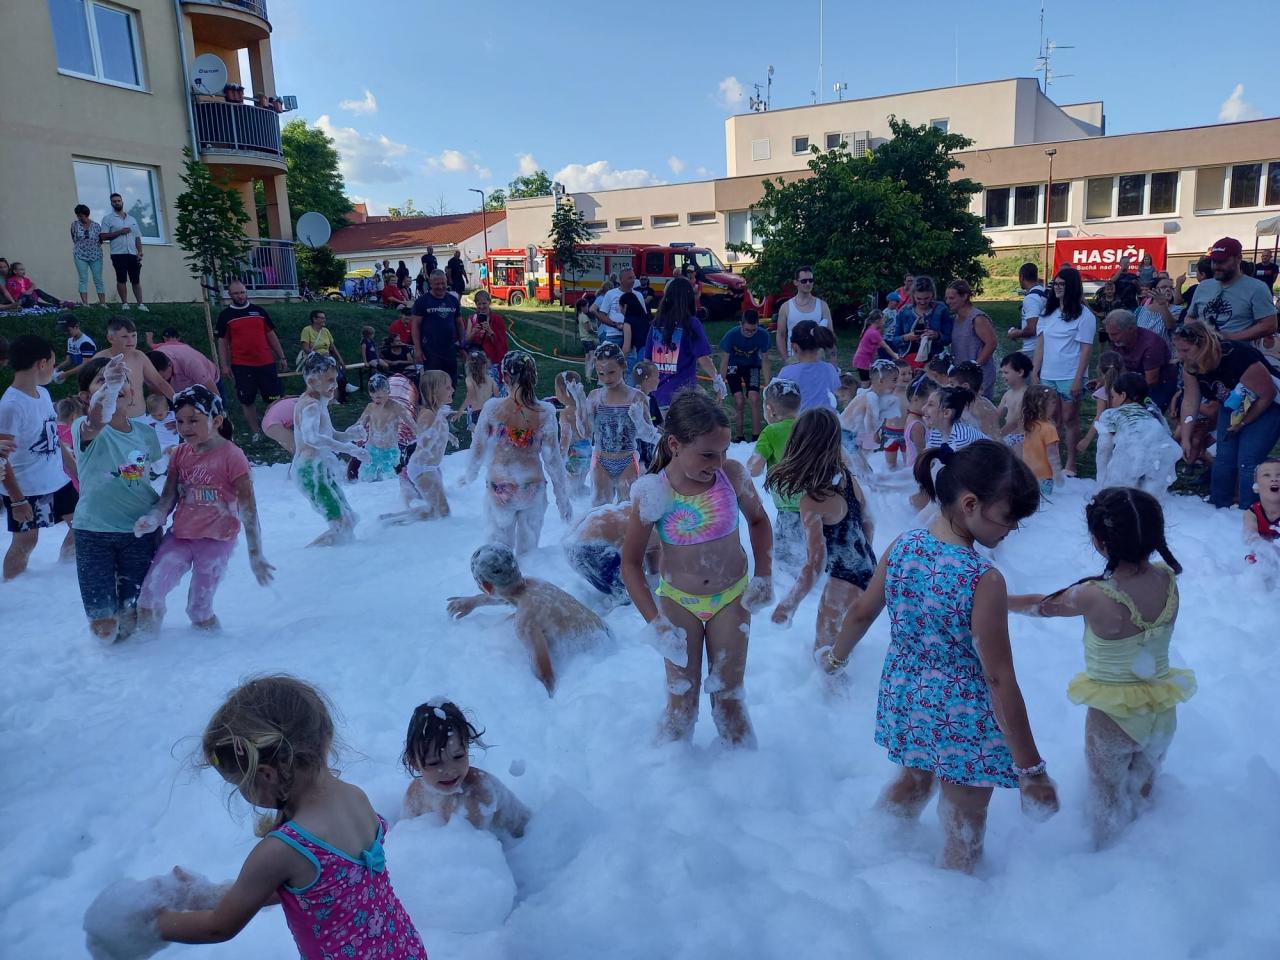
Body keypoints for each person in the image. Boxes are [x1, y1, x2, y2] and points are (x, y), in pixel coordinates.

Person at [823, 441, 1057, 873]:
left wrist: (835, 660)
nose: (1013, 529)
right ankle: (952, 895)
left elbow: (860, 613)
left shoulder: (904, 546)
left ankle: (863, 858)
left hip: (907, 698)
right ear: (970, 504)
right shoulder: (983, 578)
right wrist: (1032, 770)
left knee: (913, 780)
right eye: (1009, 518)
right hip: (961, 714)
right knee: (965, 818)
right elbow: (999, 678)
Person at [148, 675, 427, 957]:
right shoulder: (355, 797)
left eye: (240, 784)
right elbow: (321, 887)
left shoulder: (283, 850)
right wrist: (214, 896)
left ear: (266, 775)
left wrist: (148, 923)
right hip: (403, 948)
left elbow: (218, 927)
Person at [1008, 488, 1192, 848]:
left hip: (1113, 716)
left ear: (1098, 540)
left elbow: (1042, 606)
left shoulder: (1095, 594)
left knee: (1106, 791)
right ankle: (1146, 847)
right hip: (1162, 707)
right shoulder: (1167, 579)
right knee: (1145, 783)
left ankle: (1107, 851)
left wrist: (995, 600)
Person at [622, 390, 773, 746]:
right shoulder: (654, 492)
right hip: (678, 603)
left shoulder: (732, 476)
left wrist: (764, 575)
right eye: (707, 454)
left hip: (731, 598)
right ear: (675, 444)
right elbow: (630, 564)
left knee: (730, 698)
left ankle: (742, 771)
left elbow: (759, 521)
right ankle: (670, 770)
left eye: (724, 451)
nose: (718, 462)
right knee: (681, 704)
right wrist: (655, 623)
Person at [132, 386, 272, 633]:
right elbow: (168, 497)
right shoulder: (180, 454)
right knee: (148, 598)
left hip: (216, 542)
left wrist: (256, 554)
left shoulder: (232, 457)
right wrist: (154, 517)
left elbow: (249, 510)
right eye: (179, 421)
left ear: (216, 421)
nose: (185, 428)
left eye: (193, 420)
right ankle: (146, 649)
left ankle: (214, 651)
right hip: (181, 536)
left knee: (198, 609)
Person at [64, 355, 160, 640]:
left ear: (133, 392)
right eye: (102, 381)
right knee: (103, 626)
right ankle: (106, 662)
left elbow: (155, 474)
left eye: (121, 381)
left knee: (134, 618)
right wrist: (110, 390)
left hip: (138, 532)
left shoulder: (146, 434)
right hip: (93, 532)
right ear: (86, 397)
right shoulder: (84, 427)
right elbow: (96, 421)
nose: (115, 386)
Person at [766, 408, 875, 652]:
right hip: (868, 570)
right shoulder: (847, 479)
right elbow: (868, 521)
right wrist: (863, 556)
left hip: (844, 580)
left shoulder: (813, 501)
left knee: (825, 653)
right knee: (844, 648)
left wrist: (788, 604)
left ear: (796, 445)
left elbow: (815, 563)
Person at [447, 543, 610, 696]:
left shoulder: (526, 621)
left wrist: (548, 696)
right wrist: (474, 601)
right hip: (603, 636)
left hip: (595, 659)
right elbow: (507, 594)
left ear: (485, 587)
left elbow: (545, 674)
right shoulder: (536, 583)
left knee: (513, 620)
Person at [464, 351, 572, 555]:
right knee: (529, 554)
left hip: (500, 488)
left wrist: (469, 475)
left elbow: (477, 449)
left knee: (499, 553)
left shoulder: (492, 409)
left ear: (505, 377)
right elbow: (553, 461)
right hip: (532, 489)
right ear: (534, 377)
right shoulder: (545, 413)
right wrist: (562, 499)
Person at [1173, 320, 1280, 509]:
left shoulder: (1237, 356)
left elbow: (1268, 394)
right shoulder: (1191, 365)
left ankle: (1250, 510)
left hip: (1268, 404)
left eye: (1186, 350)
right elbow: (1190, 402)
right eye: (1179, 350)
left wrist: (1244, 423)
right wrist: (1187, 438)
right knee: (1225, 457)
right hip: (1233, 403)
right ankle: (1219, 507)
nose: (1181, 356)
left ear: (1203, 345)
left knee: (1248, 459)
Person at [0, 336, 77, 579]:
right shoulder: (11, 406)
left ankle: (62, 575)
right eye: (53, 364)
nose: (54, 369)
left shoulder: (43, 394)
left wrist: (76, 471)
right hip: (26, 489)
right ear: (42, 364)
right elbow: (2, 458)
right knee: (25, 542)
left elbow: (53, 438)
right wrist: (17, 501)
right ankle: (12, 588)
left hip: (57, 481)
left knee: (82, 527)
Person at [400, 699, 530, 839]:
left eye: (458, 756)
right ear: (414, 763)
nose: (450, 771)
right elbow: (403, 833)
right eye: (434, 763)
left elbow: (471, 848)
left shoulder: (477, 796)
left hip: (522, 838)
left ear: (467, 748)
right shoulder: (415, 793)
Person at [293, 353, 369, 546]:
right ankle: (310, 555)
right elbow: (312, 438)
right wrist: (349, 449)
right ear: (312, 381)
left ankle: (340, 556)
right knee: (342, 525)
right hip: (309, 472)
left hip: (319, 470)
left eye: (335, 379)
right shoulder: (310, 406)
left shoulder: (318, 401)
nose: (335, 385)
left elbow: (330, 434)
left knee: (349, 520)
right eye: (330, 380)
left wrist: (350, 436)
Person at [1034, 266, 1095, 477]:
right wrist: (1035, 370)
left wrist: (1079, 379)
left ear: (1072, 287)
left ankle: (1071, 462)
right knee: (1051, 418)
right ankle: (1053, 459)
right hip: (1048, 374)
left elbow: (1086, 349)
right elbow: (1040, 344)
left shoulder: (1084, 315)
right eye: (1055, 284)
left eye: (1062, 284)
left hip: (1070, 374)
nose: (1057, 288)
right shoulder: (1047, 313)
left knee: (1069, 418)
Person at [578, 342, 657, 505]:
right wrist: (580, 403)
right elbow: (586, 433)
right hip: (601, 460)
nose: (606, 378)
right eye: (601, 373)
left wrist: (638, 420)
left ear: (624, 366)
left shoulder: (637, 397)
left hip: (627, 460)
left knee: (627, 508)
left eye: (611, 372)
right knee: (599, 509)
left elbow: (649, 435)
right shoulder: (595, 397)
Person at [216, 281, 288, 438]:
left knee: (274, 398)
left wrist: (282, 356)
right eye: (236, 293)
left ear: (246, 292)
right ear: (230, 295)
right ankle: (256, 433)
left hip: (266, 363)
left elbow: (271, 335)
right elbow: (222, 342)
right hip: (242, 365)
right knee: (247, 400)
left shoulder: (259, 311)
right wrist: (224, 365)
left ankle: (275, 430)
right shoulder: (225, 316)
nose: (240, 296)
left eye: (242, 292)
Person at [1089, 373, 1181, 495]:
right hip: (1163, 454)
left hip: (1133, 450)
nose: (1112, 400)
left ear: (1123, 395)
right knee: (1150, 499)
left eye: (1113, 396)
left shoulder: (1110, 414)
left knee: (1118, 495)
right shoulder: (1154, 410)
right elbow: (1166, 434)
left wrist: (1101, 483)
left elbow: (1104, 448)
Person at [384, 370, 457, 523]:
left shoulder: (436, 412)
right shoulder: (428, 415)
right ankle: (396, 524)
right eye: (448, 387)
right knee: (442, 513)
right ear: (435, 392)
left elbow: (436, 431)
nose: (452, 390)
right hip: (422, 469)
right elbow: (419, 438)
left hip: (429, 468)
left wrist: (449, 436)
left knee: (437, 511)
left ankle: (392, 519)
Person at [748, 379, 804, 570]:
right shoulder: (810, 426)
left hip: (790, 505)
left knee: (789, 563)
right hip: (819, 501)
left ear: (770, 409)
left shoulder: (771, 431)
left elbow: (754, 469)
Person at [644, 276, 722, 410]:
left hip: (658, 395)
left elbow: (647, 361)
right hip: (683, 397)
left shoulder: (656, 324)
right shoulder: (691, 324)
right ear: (689, 298)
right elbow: (703, 359)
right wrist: (717, 379)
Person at [563, 500, 660, 608]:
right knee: (628, 595)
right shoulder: (665, 532)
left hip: (571, 541)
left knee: (618, 589)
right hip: (593, 545)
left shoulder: (638, 508)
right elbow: (654, 570)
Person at [1186, 237, 1278, 343]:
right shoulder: (1203, 286)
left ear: (1238, 258)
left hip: (1238, 351)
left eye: (1222, 261)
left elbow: (1269, 325)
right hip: (1204, 350)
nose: (1216, 266)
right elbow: (1189, 318)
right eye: (1213, 261)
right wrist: (1201, 334)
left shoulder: (1257, 288)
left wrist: (1230, 338)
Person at [1102, 309, 1178, 412]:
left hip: (1158, 385)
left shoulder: (1151, 345)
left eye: (1115, 334)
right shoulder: (1117, 341)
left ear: (1131, 329)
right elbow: (1115, 366)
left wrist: (1127, 397)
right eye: (1109, 334)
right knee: (1104, 399)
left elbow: (1151, 381)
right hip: (1132, 380)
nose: (1111, 338)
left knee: (1143, 413)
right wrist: (1104, 381)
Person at [718, 310, 772, 442]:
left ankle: (756, 437)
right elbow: (724, 362)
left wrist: (769, 385)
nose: (750, 333)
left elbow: (765, 361)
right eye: (747, 330)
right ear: (740, 324)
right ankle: (739, 436)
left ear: (758, 325)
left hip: (752, 366)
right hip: (733, 366)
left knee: (754, 398)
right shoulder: (731, 335)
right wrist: (720, 387)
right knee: (739, 400)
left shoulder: (763, 335)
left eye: (753, 330)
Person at [356, 374, 415, 482]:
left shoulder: (396, 407)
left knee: (389, 482)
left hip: (389, 453)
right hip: (371, 450)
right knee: (364, 480)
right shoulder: (370, 407)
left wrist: (423, 437)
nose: (375, 400)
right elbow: (359, 425)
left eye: (379, 397)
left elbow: (412, 425)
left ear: (388, 392)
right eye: (372, 397)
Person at [411, 269, 464, 388]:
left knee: (451, 384)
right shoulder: (422, 301)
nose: (440, 287)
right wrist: (418, 350)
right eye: (437, 284)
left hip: (450, 350)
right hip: (430, 351)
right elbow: (415, 327)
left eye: (443, 283)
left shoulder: (453, 300)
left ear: (446, 282)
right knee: (434, 386)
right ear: (430, 283)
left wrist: (463, 345)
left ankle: (448, 401)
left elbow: (460, 324)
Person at [945, 280, 997, 398]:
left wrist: (975, 365)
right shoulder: (955, 319)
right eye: (946, 298)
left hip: (979, 378)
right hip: (961, 377)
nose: (948, 302)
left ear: (964, 296)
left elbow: (992, 343)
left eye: (952, 298)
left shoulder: (977, 318)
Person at [777, 320, 840, 413]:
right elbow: (837, 393)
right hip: (828, 420)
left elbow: (779, 401)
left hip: (801, 421)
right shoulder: (830, 369)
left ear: (794, 347)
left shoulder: (786, 372)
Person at [776, 266, 834, 363]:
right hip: (794, 358)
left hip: (817, 358)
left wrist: (833, 359)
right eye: (804, 281)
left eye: (811, 280)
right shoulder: (786, 307)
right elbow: (780, 335)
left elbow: (830, 334)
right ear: (796, 282)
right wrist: (786, 359)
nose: (808, 283)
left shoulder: (822, 305)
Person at [100, 191, 147, 310]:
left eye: (118, 201)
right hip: (118, 254)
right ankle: (125, 304)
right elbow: (103, 236)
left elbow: (137, 237)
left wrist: (140, 252)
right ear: (111, 203)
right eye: (114, 201)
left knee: (136, 280)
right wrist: (120, 232)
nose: (117, 203)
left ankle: (141, 304)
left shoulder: (132, 219)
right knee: (121, 279)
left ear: (122, 202)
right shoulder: (108, 219)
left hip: (132, 254)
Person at [889, 276, 952, 364]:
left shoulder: (941, 309)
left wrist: (937, 336)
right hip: (908, 363)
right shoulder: (904, 311)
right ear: (913, 295)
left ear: (932, 295)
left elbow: (948, 338)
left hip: (935, 362)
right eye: (918, 298)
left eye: (926, 298)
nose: (922, 302)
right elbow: (894, 340)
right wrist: (906, 337)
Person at [1018, 384, 1064, 497]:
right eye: (1053, 403)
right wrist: (1058, 474)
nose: (1056, 406)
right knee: (1044, 501)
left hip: (1027, 474)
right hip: (1044, 477)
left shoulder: (1028, 424)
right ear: (1041, 406)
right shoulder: (1049, 428)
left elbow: (1023, 442)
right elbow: (1052, 454)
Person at [554, 370, 593, 498]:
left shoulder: (565, 413)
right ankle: (584, 498)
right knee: (580, 483)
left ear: (563, 391)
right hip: (587, 452)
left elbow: (565, 436)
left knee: (570, 490)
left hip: (573, 454)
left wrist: (559, 456)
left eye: (556, 391)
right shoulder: (585, 408)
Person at [145, 328, 219, 393]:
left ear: (169, 365)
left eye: (163, 378)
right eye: (156, 378)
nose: (161, 381)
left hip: (207, 380)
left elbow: (215, 396)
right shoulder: (145, 367)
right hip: (179, 387)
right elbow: (156, 390)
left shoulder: (190, 363)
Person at [592, 267, 640, 354]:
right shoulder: (610, 294)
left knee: (630, 360)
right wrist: (615, 325)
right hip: (613, 335)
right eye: (630, 278)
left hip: (632, 336)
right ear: (621, 280)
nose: (633, 280)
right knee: (611, 360)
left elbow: (642, 316)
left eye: (634, 277)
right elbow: (602, 315)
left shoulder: (638, 295)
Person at [949, 360, 1001, 439]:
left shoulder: (980, 407)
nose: (949, 387)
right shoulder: (966, 404)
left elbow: (992, 437)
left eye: (952, 384)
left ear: (965, 387)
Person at [465, 289, 509, 383]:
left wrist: (490, 332)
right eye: (479, 304)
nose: (481, 307)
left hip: (493, 359)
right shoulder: (472, 319)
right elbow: (467, 341)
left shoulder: (497, 319)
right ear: (475, 304)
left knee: (493, 384)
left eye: (484, 303)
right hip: (477, 359)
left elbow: (502, 343)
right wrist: (474, 332)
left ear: (489, 302)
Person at [923, 385, 986, 450]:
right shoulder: (936, 433)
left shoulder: (961, 438)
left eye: (930, 405)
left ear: (946, 413)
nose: (923, 408)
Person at [70, 203, 107, 306]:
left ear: (86, 214)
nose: (79, 217)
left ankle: (103, 304)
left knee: (98, 279)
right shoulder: (74, 225)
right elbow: (74, 238)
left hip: (96, 255)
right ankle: (85, 304)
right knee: (83, 278)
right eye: (77, 215)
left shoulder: (96, 226)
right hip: (80, 255)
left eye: (81, 215)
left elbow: (100, 240)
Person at [1244, 458, 1280, 563]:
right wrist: (1265, 549)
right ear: (1256, 487)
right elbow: (1250, 536)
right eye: (1266, 475)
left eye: (1279, 475)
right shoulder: (1252, 513)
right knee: (1255, 562)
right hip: (1263, 553)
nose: (1274, 479)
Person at [997, 352, 1032, 450]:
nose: (1003, 376)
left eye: (1006, 373)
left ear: (1020, 372)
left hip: (1021, 437)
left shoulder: (1025, 395)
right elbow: (997, 414)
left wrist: (998, 435)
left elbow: (1015, 421)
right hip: (1009, 434)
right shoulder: (1007, 394)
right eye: (1002, 372)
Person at [1008, 262, 1046, 355]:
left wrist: (1015, 333)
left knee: (1008, 363)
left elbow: (1032, 329)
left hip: (1032, 348)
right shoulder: (1044, 292)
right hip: (1044, 346)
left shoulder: (1031, 298)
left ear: (1021, 277)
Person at [851, 310, 899, 382]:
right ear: (878, 320)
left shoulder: (870, 329)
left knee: (868, 381)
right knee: (866, 383)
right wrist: (896, 357)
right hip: (863, 361)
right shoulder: (874, 333)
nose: (884, 321)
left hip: (862, 360)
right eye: (883, 319)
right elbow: (885, 347)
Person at [1134, 275, 1182, 345]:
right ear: (1152, 291)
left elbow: (1171, 327)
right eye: (1164, 287)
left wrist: (1163, 304)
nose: (1168, 290)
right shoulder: (1140, 310)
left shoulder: (1178, 310)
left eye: (1171, 288)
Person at [53, 314, 97, 384]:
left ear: (76, 326)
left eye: (67, 330)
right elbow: (69, 360)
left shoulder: (85, 343)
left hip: (92, 376)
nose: (65, 332)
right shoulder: (70, 340)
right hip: (81, 374)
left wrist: (65, 374)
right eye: (63, 330)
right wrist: (56, 369)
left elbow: (86, 364)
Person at [462, 348, 500, 425]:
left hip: (475, 412)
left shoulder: (470, 379)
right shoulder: (491, 376)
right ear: (485, 365)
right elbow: (497, 395)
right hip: (488, 412)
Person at [576, 297, 598, 380]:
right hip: (589, 339)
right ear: (582, 307)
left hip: (583, 339)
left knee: (587, 357)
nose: (588, 308)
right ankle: (589, 375)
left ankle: (587, 375)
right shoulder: (584, 317)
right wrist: (596, 333)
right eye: (587, 306)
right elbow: (588, 330)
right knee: (592, 358)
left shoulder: (579, 316)